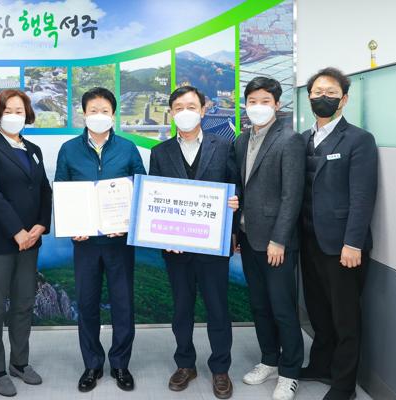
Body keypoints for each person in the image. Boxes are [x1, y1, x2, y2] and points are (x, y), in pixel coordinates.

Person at [149, 85, 239, 399]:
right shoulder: (160, 152)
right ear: (171, 113)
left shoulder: (224, 146)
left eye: (191, 106)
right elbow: (154, 198)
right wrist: (163, 237)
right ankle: (185, 364)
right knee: (182, 309)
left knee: (218, 308)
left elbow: (236, 187)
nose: (185, 112)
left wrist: (235, 208)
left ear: (203, 110)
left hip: (213, 245)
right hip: (176, 248)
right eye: (178, 108)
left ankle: (220, 368)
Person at [55, 87, 146, 393]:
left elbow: (141, 189)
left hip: (119, 243)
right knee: (87, 304)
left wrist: (128, 224)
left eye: (104, 110)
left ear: (113, 115)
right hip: (85, 244)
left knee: (123, 305)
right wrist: (72, 226)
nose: (98, 115)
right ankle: (92, 364)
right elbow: (61, 191)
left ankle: (120, 363)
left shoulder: (128, 148)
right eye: (93, 110)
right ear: (84, 114)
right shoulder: (69, 149)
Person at [299, 67, 378, 400]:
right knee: (318, 311)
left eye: (331, 92)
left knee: (345, 318)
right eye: (317, 92)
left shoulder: (358, 140)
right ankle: (321, 365)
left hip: (342, 246)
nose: (323, 97)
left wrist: (352, 243)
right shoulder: (304, 138)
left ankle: (344, 385)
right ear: (309, 97)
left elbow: (362, 197)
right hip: (308, 240)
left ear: (344, 99)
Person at [0, 89, 52, 397]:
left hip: (31, 240)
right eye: (8, 111)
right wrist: (17, 231)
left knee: (23, 303)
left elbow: (43, 190)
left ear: (27, 115)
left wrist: (41, 225)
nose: (14, 116)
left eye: (20, 111)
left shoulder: (33, 149)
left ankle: (20, 362)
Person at [233, 77, 305, 400]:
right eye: (252, 101)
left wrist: (280, 239)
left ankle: (289, 372)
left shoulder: (289, 140)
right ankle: (269, 360)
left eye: (265, 101)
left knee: (283, 308)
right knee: (260, 305)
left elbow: (292, 196)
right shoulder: (241, 140)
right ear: (245, 105)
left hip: (277, 243)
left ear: (277, 104)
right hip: (249, 238)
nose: (258, 107)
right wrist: (236, 230)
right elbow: (241, 187)